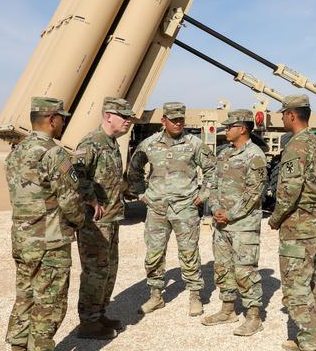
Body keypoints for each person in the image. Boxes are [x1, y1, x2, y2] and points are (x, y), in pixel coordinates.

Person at [5, 97, 91, 351]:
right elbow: (69, 198)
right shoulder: (54, 154)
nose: (64, 123)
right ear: (52, 120)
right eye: (62, 118)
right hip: (50, 242)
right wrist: (79, 222)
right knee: (49, 302)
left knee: (25, 296)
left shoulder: (16, 151)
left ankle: (18, 346)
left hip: (22, 240)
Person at [127, 101, 214, 316]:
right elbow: (134, 169)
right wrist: (141, 194)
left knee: (189, 253)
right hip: (156, 208)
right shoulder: (149, 144)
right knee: (154, 253)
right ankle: (156, 296)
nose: (177, 123)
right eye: (173, 120)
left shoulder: (194, 144)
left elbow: (212, 170)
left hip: (185, 208)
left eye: (181, 120)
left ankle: (195, 295)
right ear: (164, 121)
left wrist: (202, 195)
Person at [267, 94, 316, 351]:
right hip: (315, 223)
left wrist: (275, 218)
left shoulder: (296, 145)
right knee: (309, 280)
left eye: (283, 114)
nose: (281, 118)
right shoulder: (315, 142)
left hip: (298, 227)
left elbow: (289, 191)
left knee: (295, 286)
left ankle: (308, 343)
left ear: (292, 115)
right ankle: (311, 335)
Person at [72, 97, 134, 339]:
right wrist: (89, 198)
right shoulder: (92, 142)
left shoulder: (110, 143)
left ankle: (98, 314)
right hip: (94, 224)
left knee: (108, 270)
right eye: (124, 116)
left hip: (110, 219)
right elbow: (72, 172)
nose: (128, 121)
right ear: (108, 116)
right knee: (95, 271)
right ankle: (88, 323)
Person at [201, 109, 267, 336]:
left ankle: (253, 317)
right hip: (222, 223)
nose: (226, 130)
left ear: (243, 129)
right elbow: (213, 184)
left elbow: (254, 192)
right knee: (222, 267)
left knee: (244, 270)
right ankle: (228, 309)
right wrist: (216, 208)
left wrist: (230, 214)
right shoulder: (224, 154)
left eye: (230, 127)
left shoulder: (255, 155)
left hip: (243, 224)